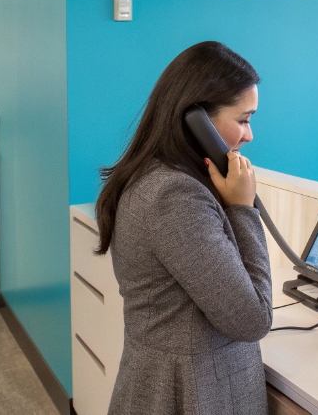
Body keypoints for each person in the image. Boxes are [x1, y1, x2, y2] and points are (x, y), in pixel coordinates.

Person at [95, 41, 272, 415]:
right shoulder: (175, 196)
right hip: (190, 392)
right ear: (197, 120)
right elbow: (252, 319)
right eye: (243, 119)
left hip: (170, 382)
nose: (249, 134)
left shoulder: (157, 176)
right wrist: (242, 208)